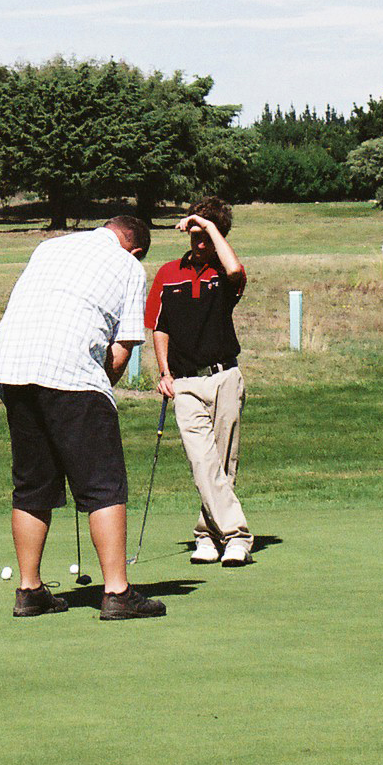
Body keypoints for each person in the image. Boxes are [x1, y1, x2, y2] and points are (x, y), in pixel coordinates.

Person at [0, 216, 166, 620]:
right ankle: (117, 593)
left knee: (33, 482)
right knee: (104, 484)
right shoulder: (129, 267)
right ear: (136, 249)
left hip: (12, 368)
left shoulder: (50, 247)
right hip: (71, 373)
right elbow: (122, 348)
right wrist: (104, 383)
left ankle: (29, 589)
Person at [145, 197, 253, 566]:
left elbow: (236, 269)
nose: (198, 243)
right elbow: (159, 327)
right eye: (194, 235)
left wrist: (209, 226)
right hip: (186, 384)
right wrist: (164, 373)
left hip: (223, 376)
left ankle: (207, 536)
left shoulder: (225, 274)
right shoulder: (167, 273)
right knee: (201, 461)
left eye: (206, 236)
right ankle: (238, 535)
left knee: (223, 464)